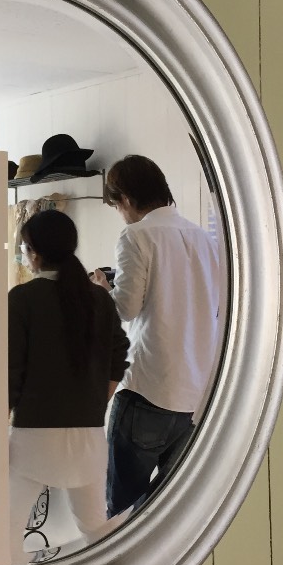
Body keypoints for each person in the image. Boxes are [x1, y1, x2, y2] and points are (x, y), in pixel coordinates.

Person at [91, 155, 220, 518]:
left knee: (121, 514)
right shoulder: (203, 238)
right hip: (194, 396)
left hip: (147, 391)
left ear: (125, 199)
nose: (122, 215)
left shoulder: (136, 236)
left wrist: (101, 289)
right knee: (167, 512)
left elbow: (125, 309)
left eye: (117, 207)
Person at [8, 209, 129, 565]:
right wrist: (95, 404)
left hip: (33, 440)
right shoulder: (99, 299)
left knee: (5, 534)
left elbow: (11, 372)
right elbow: (119, 358)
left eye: (24, 249)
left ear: (35, 253)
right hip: (89, 439)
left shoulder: (22, 299)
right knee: (96, 530)